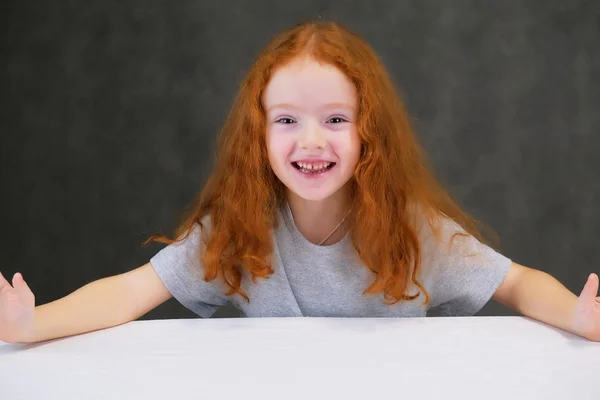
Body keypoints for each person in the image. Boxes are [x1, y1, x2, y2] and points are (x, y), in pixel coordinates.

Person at [1, 20, 599, 345]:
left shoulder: (410, 229)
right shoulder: (238, 228)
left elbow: (517, 282)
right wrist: (34, 323)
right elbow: (130, 293)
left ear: (369, 133)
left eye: (335, 120)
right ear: (258, 136)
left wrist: (577, 316)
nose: (310, 141)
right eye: (287, 120)